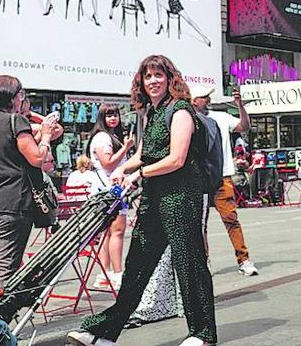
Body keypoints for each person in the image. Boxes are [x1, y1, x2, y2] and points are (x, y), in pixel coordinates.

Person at [68, 55, 216, 346]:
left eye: (158, 75)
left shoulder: (181, 110)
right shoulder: (152, 112)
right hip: (154, 197)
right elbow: (144, 153)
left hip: (181, 195)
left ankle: (202, 333)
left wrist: (138, 175)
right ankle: (105, 331)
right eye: (147, 77)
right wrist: (124, 168)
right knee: (137, 265)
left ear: (170, 78)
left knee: (189, 263)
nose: (153, 81)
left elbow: (176, 158)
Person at [0, 75, 59, 298]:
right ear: (13, 97)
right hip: (13, 202)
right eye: (20, 94)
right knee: (5, 266)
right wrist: (46, 137)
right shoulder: (16, 121)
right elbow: (37, 158)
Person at [193, 88, 259, 276]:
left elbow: (243, 127)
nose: (208, 100)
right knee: (200, 224)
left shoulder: (220, 117)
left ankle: (244, 259)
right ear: (194, 100)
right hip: (200, 179)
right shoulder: (188, 119)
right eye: (203, 97)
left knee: (231, 219)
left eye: (208, 97)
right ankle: (204, 261)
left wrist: (240, 107)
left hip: (223, 176)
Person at [89, 104, 134, 290]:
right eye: (108, 115)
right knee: (116, 232)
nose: (113, 118)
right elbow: (107, 164)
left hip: (109, 190)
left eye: (115, 115)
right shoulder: (102, 137)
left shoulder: (109, 137)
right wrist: (126, 147)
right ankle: (117, 273)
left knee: (108, 234)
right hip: (110, 191)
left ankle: (104, 274)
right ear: (101, 118)